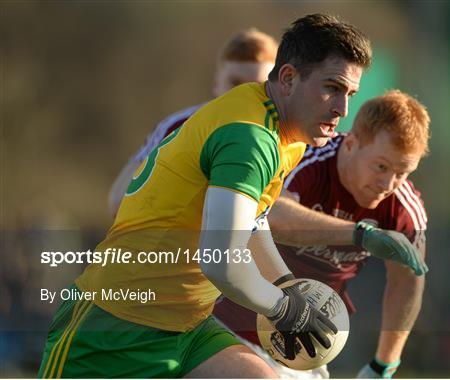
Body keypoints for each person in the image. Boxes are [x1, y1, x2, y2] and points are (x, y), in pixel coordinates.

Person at [37, 13, 420, 378]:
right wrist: (284, 308)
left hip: (189, 328)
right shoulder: (249, 136)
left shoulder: (287, 133)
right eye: (332, 88)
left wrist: (285, 284)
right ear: (287, 78)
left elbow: (253, 222)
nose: (343, 108)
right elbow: (220, 261)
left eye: (351, 92)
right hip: (114, 326)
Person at [213, 90, 431, 378]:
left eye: (402, 172)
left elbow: (407, 283)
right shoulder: (307, 156)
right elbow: (270, 215)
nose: (388, 183)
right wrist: (359, 234)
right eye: (381, 166)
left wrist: (383, 365)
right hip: (227, 323)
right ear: (351, 143)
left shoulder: (404, 209)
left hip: (304, 348)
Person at [108, 28, 278, 216]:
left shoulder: (288, 138)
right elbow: (119, 200)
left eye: (255, 86)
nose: (243, 94)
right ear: (216, 84)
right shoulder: (177, 125)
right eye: (235, 83)